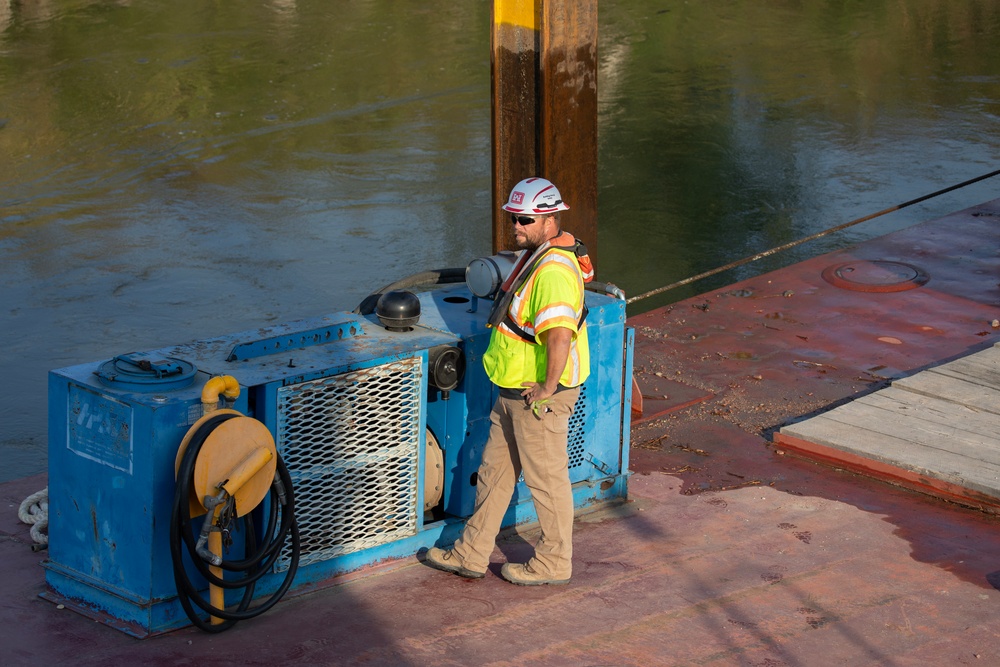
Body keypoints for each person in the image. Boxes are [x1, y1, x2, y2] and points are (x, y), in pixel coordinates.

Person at [424, 177, 593, 586]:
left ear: (550, 219)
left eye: (524, 220)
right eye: (513, 218)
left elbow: (557, 335)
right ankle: (471, 552)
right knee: (494, 473)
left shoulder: (552, 271)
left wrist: (547, 388)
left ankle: (555, 561)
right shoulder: (536, 254)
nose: (515, 227)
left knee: (546, 481)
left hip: (536, 395)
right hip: (512, 391)